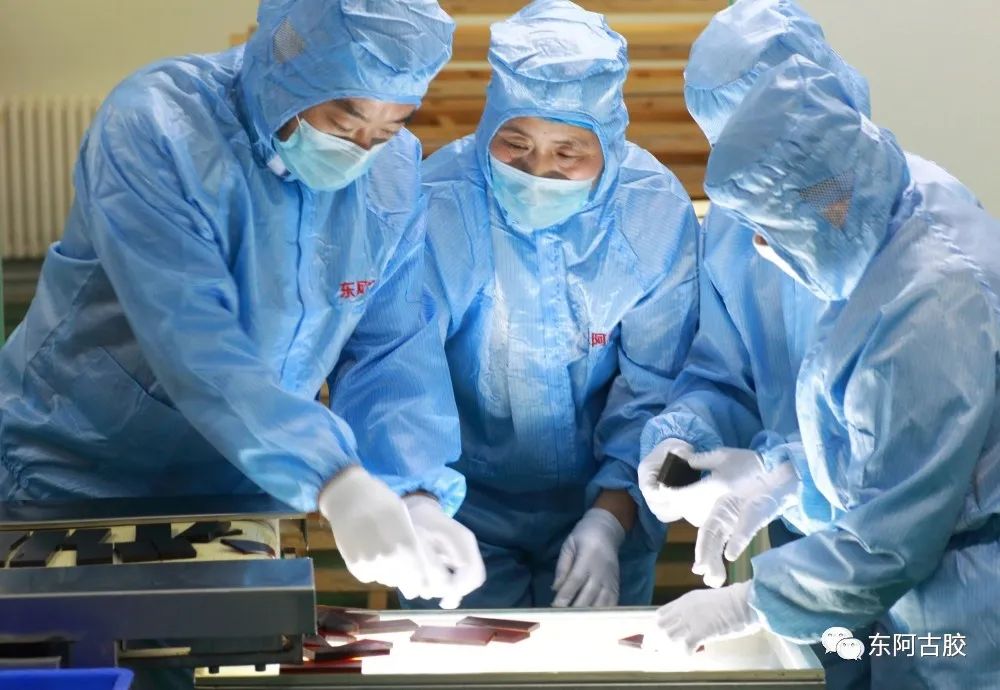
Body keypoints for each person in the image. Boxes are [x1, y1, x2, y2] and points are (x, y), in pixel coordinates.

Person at [0, 0, 485, 607]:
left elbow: (391, 346)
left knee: (230, 647)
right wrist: (334, 478)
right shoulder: (158, 126)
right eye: (345, 121)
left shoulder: (390, 172)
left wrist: (413, 491)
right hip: (81, 469)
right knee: (79, 643)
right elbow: (192, 335)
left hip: (248, 479)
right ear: (293, 66)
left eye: (387, 129)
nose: (362, 149)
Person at [637, 2, 977, 684]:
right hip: (827, 555)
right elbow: (728, 369)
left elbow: (896, 510)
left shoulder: (924, 283)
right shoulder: (762, 223)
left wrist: (782, 488)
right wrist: (685, 439)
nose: (760, 238)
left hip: (943, 583)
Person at [405, 0, 700, 610]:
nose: (538, 170)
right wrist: (419, 502)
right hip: (456, 507)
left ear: (609, 143)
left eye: (568, 152)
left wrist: (611, 519)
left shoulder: (651, 214)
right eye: (515, 143)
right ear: (489, 126)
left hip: (604, 500)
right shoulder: (437, 202)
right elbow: (401, 370)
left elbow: (656, 386)